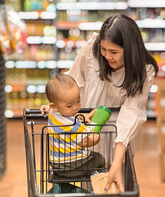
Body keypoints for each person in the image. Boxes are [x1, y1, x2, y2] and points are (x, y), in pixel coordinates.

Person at [64, 13, 158, 192]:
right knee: (87, 184)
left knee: (113, 184)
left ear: (130, 49)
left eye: (114, 51)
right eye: (104, 49)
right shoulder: (92, 48)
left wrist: (117, 160)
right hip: (88, 131)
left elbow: (132, 112)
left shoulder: (144, 71)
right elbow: (72, 80)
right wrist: (56, 104)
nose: (107, 56)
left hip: (118, 137)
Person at [44, 73, 106, 178]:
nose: (75, 107)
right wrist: (96, 136)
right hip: (73, 165)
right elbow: (85, 142)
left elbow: (68, 115)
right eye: (69, 105)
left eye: (78, 101)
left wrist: (82, 116)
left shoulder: (53, 114)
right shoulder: (73, 125)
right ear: (54, 106)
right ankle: (99, 189)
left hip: (56, 164)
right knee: (100, 159)